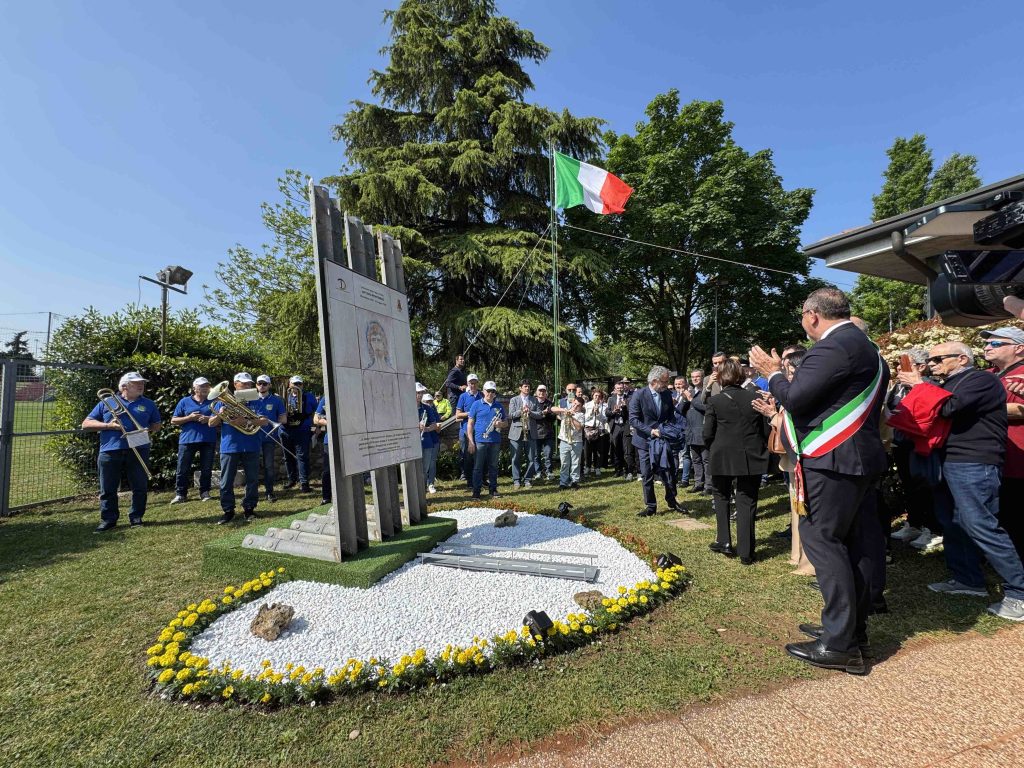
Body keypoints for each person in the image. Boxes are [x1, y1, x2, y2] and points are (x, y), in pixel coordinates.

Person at [750, 287, 889, 675]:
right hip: (856, 459)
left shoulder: (833, 347)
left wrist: (772, 374)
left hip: (833, 460)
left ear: (813, 316)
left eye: (802, 318)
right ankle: (849, 632)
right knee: (856, 545)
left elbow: (795, 397)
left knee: (823, 541)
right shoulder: (866, 347)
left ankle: (838, 643)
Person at [897, 340, 1024, 622]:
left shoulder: (980, 379)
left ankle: (1019, 592)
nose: (932, 365)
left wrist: (919, 385)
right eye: (930, 361)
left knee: (980, 523)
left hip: (974, 460)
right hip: (947, 459)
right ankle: (968, 580)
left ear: (963, 359)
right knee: (953, 521)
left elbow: (950, 408)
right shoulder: (947, 382)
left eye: (938, 360)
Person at [754, 349, 815, 575]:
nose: (787, 377)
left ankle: (807, 561)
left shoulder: (805, 392)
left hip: (803, 459)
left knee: (804, 508)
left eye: (789, 371)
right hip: (792, 459)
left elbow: (797, 424)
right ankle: (797, 554)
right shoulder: (794, 391)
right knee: (795, 508)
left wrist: (772, 415)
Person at [704, 359, 769, 565]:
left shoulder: (715, 401)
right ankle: (746, 551)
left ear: (721, 378)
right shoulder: (755, 397)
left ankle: (724, 540)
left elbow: (707, 434)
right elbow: (766, 430)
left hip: (722, 455)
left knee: (721, 497)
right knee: (746, 501)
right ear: (741, 376)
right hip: (751, 455)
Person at [82, 372, 162, 532]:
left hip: (139, 448)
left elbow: (157, 425)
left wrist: (148, 430)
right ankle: (108, 519)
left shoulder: (149, 403)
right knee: (108, 488)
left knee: (139, 486)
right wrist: (108, 426)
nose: (141, 385)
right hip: (110, 450)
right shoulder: (107, 402)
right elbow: (86, 424)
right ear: (124, 386)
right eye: (136, 383)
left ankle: (136, 517)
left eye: (142, 383)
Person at [886, 350, 943, 550]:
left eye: (905, 365)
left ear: (921, 367)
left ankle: (933, 529)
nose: (900, 369)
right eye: (898, 365)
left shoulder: (930, 386)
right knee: (909, 485)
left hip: (921, 445)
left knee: (926, 486)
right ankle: (915, 523)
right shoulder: (898, 387)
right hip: (901, 443)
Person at [981, 327, 1024, 558]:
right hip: (996, 458)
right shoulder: (989, 374)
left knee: (1017, 514)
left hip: (1018, 459)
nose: (987, 346)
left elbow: (1018, 410)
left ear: (1019, 348)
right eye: (987, 343)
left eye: (996, 344)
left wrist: (976, 409)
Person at [208, 372, 269, 525]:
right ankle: (228, 510)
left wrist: (246, 419)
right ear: (235, 384)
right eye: (244, 383)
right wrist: (219, 415)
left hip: (251, 445)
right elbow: (211, 423)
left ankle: (249, 508)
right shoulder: (222, 402)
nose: (247, 385)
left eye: (249, 383)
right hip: (229, 446)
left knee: (252, 479)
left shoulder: (255, 399)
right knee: (226, 481)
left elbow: (264, 421)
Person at [629, 365, 683, 517]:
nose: (667, 385)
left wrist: (673, 428)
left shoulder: (666, 394)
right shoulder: (639, 395)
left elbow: (671, 415)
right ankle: (651, 507)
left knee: (669, 471)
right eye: (664, 381)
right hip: (644, 441)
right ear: (654, 381)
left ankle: (672, 501)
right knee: (647, 474)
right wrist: (650, 431)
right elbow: (633, 420)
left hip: (663, 440)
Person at [169, 377, 216, 504]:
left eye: (207, 386)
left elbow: (220, 419)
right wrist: (189, 418)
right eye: (202, 386)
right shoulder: (184, 401)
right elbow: (173, 421)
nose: (205, 388)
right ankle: (180, 494)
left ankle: (205, 492)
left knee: (206, 468)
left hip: (208, 439)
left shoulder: (213, 401)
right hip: (187, 440)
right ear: (194, 388)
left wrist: (208, 419)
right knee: (182, 468)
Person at [466, 380, 506, 499]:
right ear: (483, 391)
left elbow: (506, 422)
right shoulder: (476, 404)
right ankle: (476, 491)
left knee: (493, 466)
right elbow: (470, 424)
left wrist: (501, 424)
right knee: (478, 467)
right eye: (488, 391)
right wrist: (470, 441)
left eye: (493, 391)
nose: (490, 393)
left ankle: (493, 489)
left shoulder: (499, 406)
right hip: (480, 440)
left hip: (495, 441)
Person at [254, 374, 287, 502]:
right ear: (256, 385)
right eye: (259, 383)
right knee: (253, 466)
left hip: (269, 437)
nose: (261, 386)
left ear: (269, 385)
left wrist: (273, 422)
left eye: (264, 384)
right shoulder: (250, 399)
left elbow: (283, 419)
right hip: (253, 437)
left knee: (268, 466)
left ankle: (269, 492)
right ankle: (252, 492)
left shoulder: (277, 400)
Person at [282, 375, 318, 492]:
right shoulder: (284, 397)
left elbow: (316, 413)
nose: (297, 386)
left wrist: (316, 427)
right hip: (286, 430)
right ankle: (291, 479)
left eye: (299, 384)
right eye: (294, 384)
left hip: (302, 430)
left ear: (302, 385)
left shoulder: (309, 397)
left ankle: (304, 482)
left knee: (302, 457)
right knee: (288, 457)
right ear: (289, 385)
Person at [508, 379, 538, 489]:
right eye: (525, 386)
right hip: (516, 432)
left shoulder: (534, 400)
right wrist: (521, 411)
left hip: (530, 432)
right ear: (520, 388)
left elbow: (539, 414)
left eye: (528, 386)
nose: (527, 388)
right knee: (515, 458)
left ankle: (528, 479)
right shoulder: (514, 400)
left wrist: (530, 412)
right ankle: (516, 480)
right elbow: (511, 415)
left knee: (531, 458)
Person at [455, 373, 483, 486]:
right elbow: (457, 415)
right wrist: (471, 413)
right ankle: (469, 480)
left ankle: (480, 478)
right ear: (467, 384)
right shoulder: (463, 397)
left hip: (480, 429)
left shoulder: (482, 395)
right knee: (467, 456)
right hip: (466, 430)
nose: (473, 385)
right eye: (471, 383)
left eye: (475, 383)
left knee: (480, 454)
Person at [686, 369, 710, 494]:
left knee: (706, 460)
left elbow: (707, 408)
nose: (695, 379)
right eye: (692, 377)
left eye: (697, 376)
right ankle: (698, 483)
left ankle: (708, 486)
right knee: (695, 460)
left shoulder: (706, 392)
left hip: (702, 431)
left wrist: (691, 400)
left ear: (703, 377)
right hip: (691, 432)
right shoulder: (690, 392)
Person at [606, 380, 635, 480]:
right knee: (616, 449)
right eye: (618, 388)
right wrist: (614, 411)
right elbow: (607, 413)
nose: (620, 390)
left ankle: (629, 471)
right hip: (615, 427)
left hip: (626, 426)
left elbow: (632, 412)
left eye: (621, 388)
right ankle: (618, 470)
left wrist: (625, 408)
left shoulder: (629, 399)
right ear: (615, 389)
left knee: (627, 450)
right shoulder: (611, 399)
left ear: (624, 388)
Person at [556, 394, 585, 490]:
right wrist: (564, 410)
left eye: (578, 405)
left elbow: (579, 427)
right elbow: (552, 409)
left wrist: (572, 417)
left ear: (581, 407)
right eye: (575, 404)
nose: (576, 406)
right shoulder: (565, 411)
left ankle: (574, 482)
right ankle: (563, 482)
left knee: (575, 463)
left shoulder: (581, 415)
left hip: (576, 442)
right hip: (564, 441)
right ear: (572, 402)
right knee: (564, 463)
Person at [531, 384, 556, 480]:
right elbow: (531, 416)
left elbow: (553, 418)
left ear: (546, 393)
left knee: (548, 455)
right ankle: (538, 472)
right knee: (536, 455)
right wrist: (542, 414)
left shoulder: (550, 403)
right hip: (535, 433)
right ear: (536, 392)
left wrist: (547, 414)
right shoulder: (532, 402)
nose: (541, 393)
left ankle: (549, 472)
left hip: (547, 433)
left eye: (543, 391)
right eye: (540, 391)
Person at [418, 387, 441, 494]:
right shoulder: (407, 407)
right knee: (415, 470)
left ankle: (423, 491)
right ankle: (416, 492)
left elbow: (434, 424)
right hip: (413, 444)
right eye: (417, 393)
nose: (419, 395)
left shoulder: (427, 408)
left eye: (421, 392)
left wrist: (427, 428)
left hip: (427, 442)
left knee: (425, 468)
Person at [582, 389, 610, 477]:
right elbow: (584, 419)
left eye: (599, 396)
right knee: (588, 450)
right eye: (595, 396)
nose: (597, 397)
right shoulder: (586, 405)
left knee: (599, 450)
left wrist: (598, 413)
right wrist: (591, 412)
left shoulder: (604, 406)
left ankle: (597, 467)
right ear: (592, 396)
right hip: (588, 430)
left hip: (599, 429)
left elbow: (605, 419)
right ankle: (588, 467)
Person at [671, 375, 692, 487]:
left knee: (685, 454)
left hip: (684, 428)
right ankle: (673, 477)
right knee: (673, 454)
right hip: (673, 429)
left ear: (686, 384)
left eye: (680, 383)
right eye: (676, 384)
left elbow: (683, 411)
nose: (678, 386)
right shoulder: (672, 395)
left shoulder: (689, 395)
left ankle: (685, 479)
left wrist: (675, 405)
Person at [313, 396, 331, 504]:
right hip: (329, 440)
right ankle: (326, 497)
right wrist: (329, 422)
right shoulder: (326, 398)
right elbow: (316, 419)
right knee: (327, 470)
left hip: (349, 437)